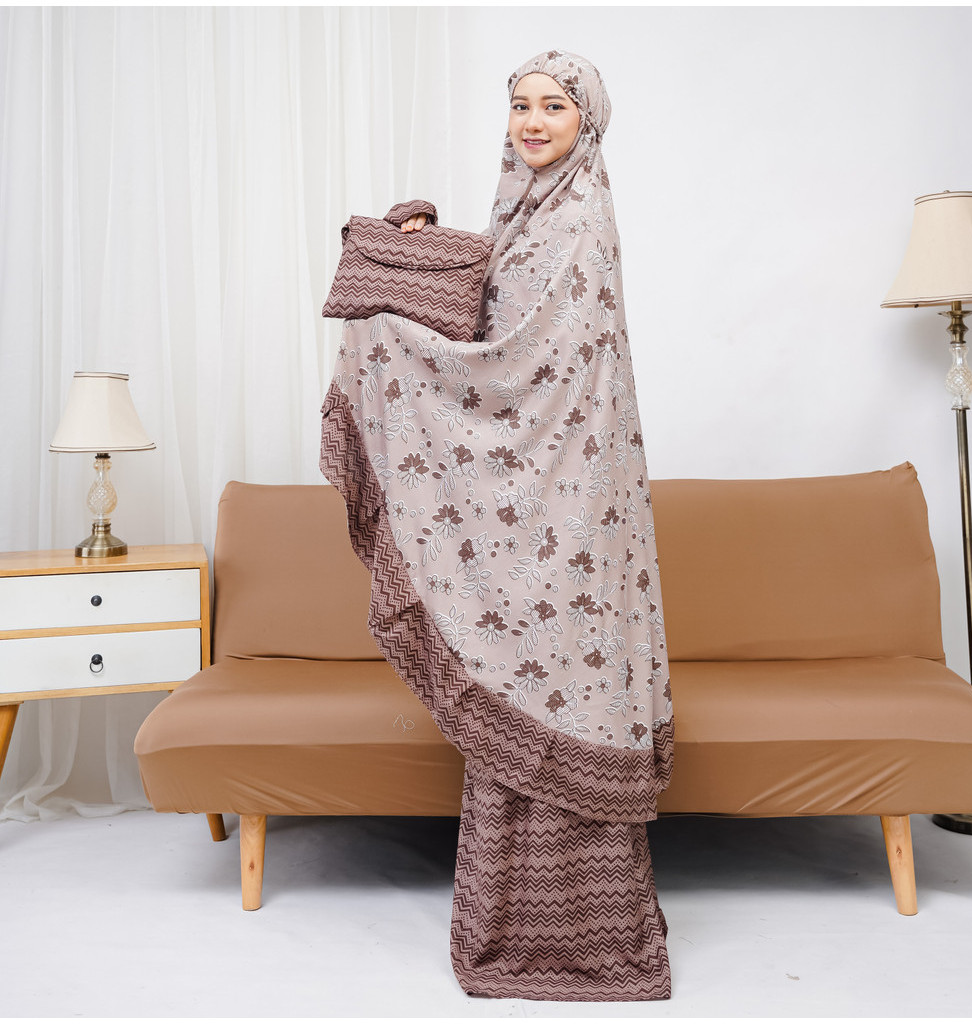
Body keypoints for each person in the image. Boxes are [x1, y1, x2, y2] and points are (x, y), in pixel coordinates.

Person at [321, 50, 674, 1002]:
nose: (533, 121)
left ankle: (589, 942)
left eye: (554, 106)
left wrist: (399, 332)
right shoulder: (523, 209)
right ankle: (514, 930)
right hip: (538, 509)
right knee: (527, 682)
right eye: (521, 105)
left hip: (570, 511)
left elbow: (518, 365)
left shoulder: (579, 219)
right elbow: (490, 314)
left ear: (587, 122)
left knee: (561, 686)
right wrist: (426, 257)